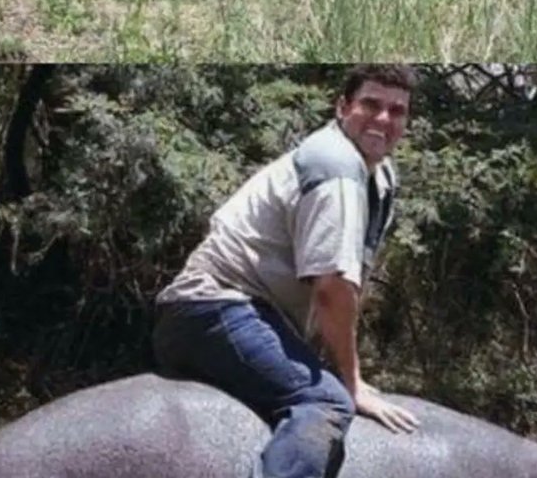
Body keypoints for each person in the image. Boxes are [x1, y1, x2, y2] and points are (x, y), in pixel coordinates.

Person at [152, 65, 420, 478]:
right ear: (342, 106)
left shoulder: (378, 176)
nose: (384, 119)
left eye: (397, 111)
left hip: (243, 315)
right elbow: (332, 289)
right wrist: (352, 383)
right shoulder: (337, 167)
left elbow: (345, 286)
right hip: (215, 308)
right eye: (370, 104)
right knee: (326, 402)